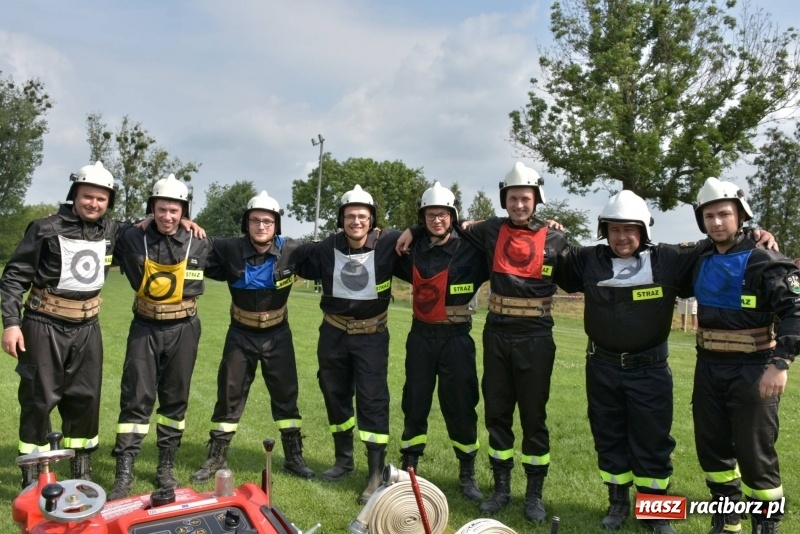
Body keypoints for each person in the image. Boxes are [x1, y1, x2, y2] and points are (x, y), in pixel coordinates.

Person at [435, 162, 574, 523]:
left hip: (536, 338)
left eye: (525, 199)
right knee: (497, 412)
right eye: (513, 198)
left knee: (533, 416)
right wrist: (407, 230)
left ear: (536, 200)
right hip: (497, 333)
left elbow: (578, 275)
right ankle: (501, 489)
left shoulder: (557, 239)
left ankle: (534, 495)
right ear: (505, 200)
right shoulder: (491, 229)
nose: (519, 205)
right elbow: (447, 223)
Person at [691, 178, 800, 534]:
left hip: (754, 369)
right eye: (709, 216)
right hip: (708, 367)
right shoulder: (698, 257)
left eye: (724, 214)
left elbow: (795, 311)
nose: (717, 223)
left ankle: (765, 526)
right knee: (713, 451)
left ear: (741, 215)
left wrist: (780, 363)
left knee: (756, 455)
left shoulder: (764, 259)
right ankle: (727, 521)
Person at [1, 162, 120, 488]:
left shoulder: (111, 231)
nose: (93, 204)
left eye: (101, 199)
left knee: (86, 398)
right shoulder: (43, 228)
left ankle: (81, 471)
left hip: (87, 328)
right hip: (43, 326)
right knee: (39, 398)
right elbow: (13, 278)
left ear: (109, 201)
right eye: (87, 196)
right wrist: (11, 323)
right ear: (75, 194)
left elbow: (148, 231)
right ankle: (32, 475)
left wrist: (178, 220)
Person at [191, 191, 314, 483]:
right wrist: (186, 220)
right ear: (246, 223)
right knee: (229, 394)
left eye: (268, 221)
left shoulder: (293, 249)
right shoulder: (229, 247)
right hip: (240, 334)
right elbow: (190, 241)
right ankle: (216, 457)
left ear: (276, 225)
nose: (261, 226)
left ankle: (294, 457)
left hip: (278, 334)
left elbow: (331, 247)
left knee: (286, 395)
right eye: (255, 220)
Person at [295, 184, 402, 504]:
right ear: (341, 220)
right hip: (333, 334)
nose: (356, 221)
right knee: (334, 393)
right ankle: (343, 459)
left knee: (372, 399)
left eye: (362, 216)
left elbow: (431, 230)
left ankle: (374, 471)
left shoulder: (389, 244)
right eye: (350, 216)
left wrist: (411, 228)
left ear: (372, 220)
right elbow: (288, 251)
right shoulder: (326, 247)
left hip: (371, 336)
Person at [108, 174, 211, 500]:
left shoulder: (200, 241)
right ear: (152, 208)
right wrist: (138, 221)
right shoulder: (131, 237)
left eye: (175, 210)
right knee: (136, 397)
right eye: (162, 209)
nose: (168, 216)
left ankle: (166, 465)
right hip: (145, 327)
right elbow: (102, 223)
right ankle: (124, 469)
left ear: (184, 211)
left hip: (184, 328)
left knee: (174, 399)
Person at [392, 181, 489, 501]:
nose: (437, 220)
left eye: (443, 215)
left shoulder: (472, 248)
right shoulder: (411, 248)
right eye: (430, 215)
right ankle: (409, 466)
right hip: (421, 337)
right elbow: (377, 237)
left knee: (461, 405)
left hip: (457, 338)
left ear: (453, 216)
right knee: (414, 401)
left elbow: (506, 234)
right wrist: (411, 231)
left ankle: (467, 472)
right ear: (423, 218)